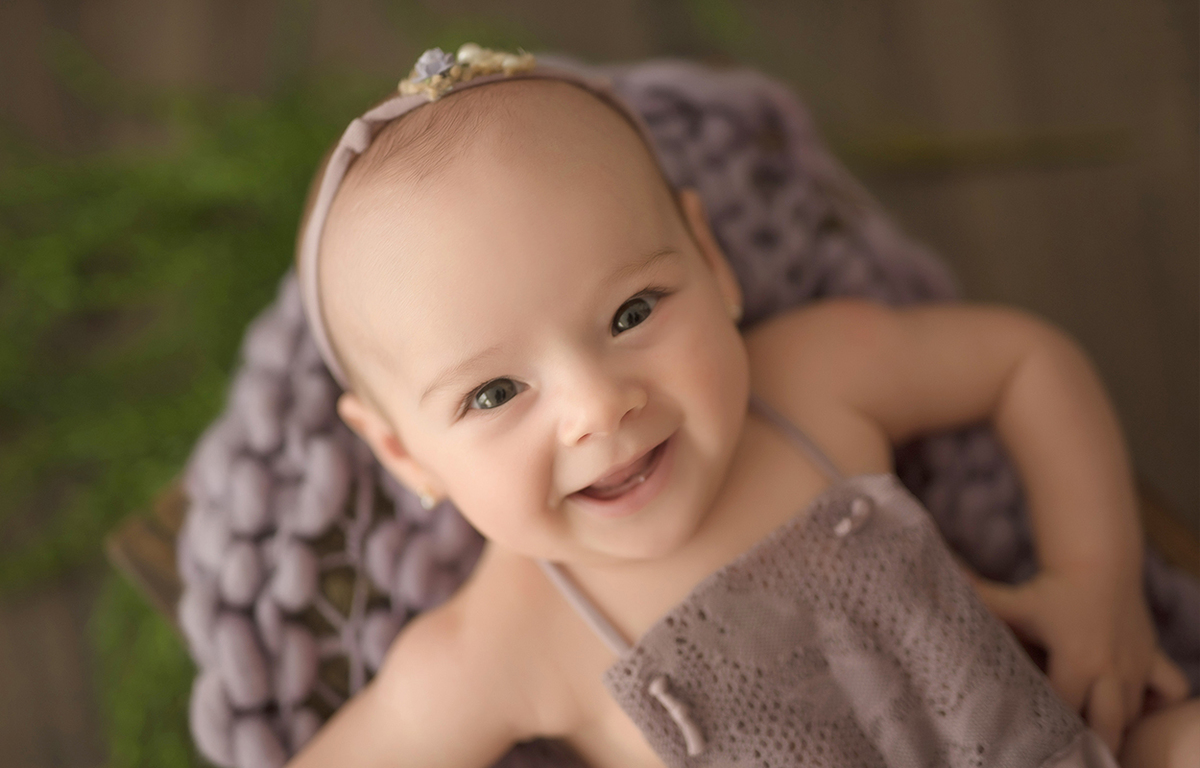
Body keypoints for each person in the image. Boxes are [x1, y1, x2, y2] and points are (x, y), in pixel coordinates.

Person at [287, 45, 1198, 768]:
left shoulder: (811, 383)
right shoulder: (494, 647)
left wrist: (1096, 579)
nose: (599, 407)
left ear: (712, 263)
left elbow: (1023, 359)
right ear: (403, 455)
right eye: (493, 393)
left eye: (632, 312)